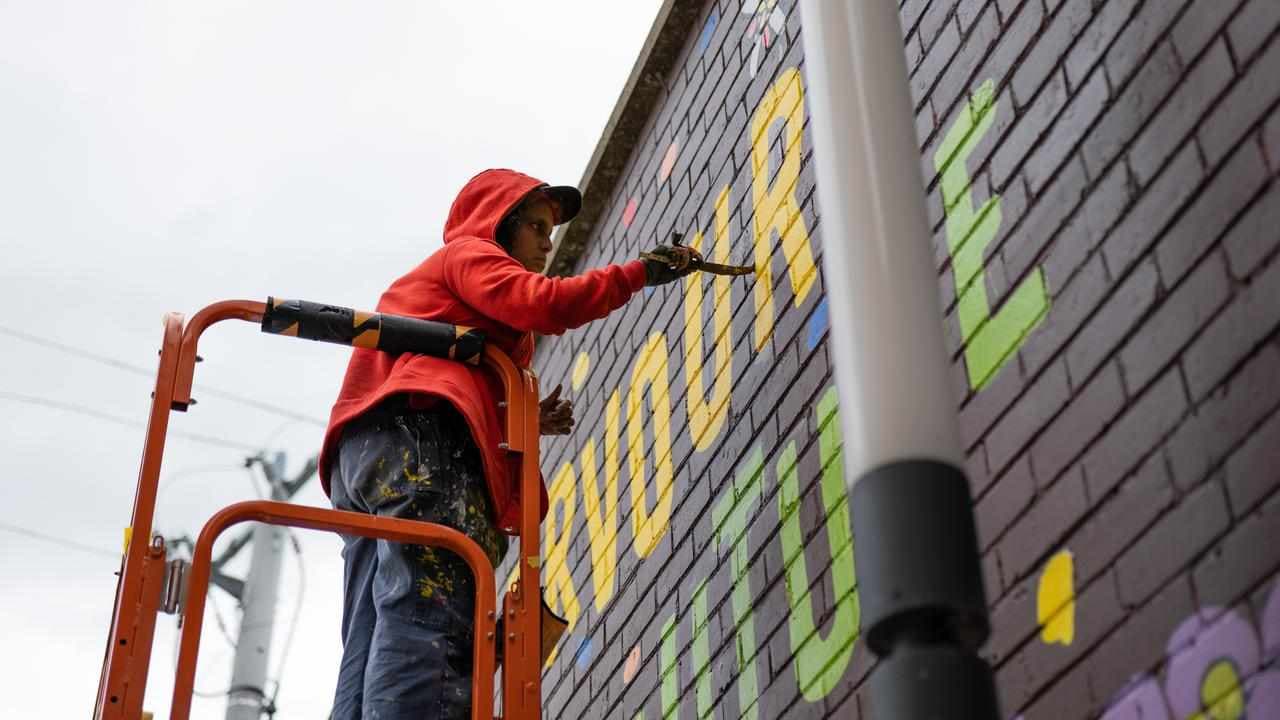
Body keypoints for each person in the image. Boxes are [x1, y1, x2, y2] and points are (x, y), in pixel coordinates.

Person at [317, 168, 701, 719]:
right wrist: (638, 273)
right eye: (538, 227)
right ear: (501, 226)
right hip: (417, 441)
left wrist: (517, 417)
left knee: (373, 620)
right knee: (432, 607)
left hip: (373, 453)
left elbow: (448, 374)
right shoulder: (471, 255)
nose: (548, 243)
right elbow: (546, 304)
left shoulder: (465, 304)